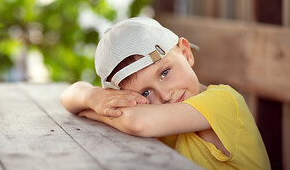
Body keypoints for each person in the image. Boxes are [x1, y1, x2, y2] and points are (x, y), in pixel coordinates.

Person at [60, 17, 270, 169]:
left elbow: (138, 122)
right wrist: (94, 97)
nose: (165, 95)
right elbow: (69, 95)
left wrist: (92, 110)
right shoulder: (164, 116)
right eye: (146, 92)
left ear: (186, 53)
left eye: (165, 72)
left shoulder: (224, 101)